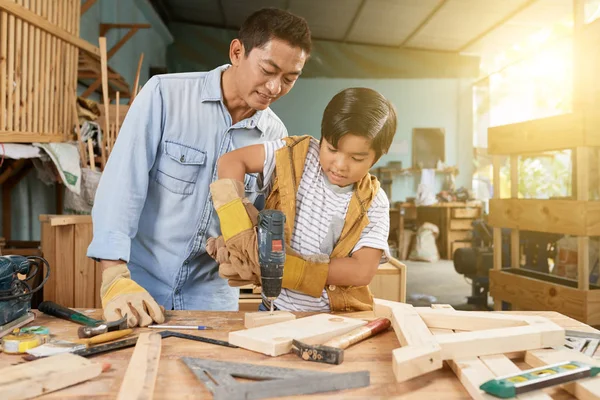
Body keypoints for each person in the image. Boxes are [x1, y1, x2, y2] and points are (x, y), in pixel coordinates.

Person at [87, 8, 312, 327]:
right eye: (268, 70)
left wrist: (242, 252)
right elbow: (122, 187)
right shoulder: (165, 95)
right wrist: (114, 275)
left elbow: (263, 217)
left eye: (289, 79)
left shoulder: (275, 135)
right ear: (237, 52)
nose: (275, 88)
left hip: (212, 295)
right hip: (140, 284)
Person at [208, 87, 397, 312]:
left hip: (335, 317)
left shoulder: (374, 201)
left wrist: (282, 269)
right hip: (275, 309)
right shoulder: (297, 155)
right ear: (322, 136)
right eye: (332, 149)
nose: (340, 165)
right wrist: (237, 232)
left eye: (356, 158)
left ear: (378, 156)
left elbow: (361, 271)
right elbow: (231, 161)